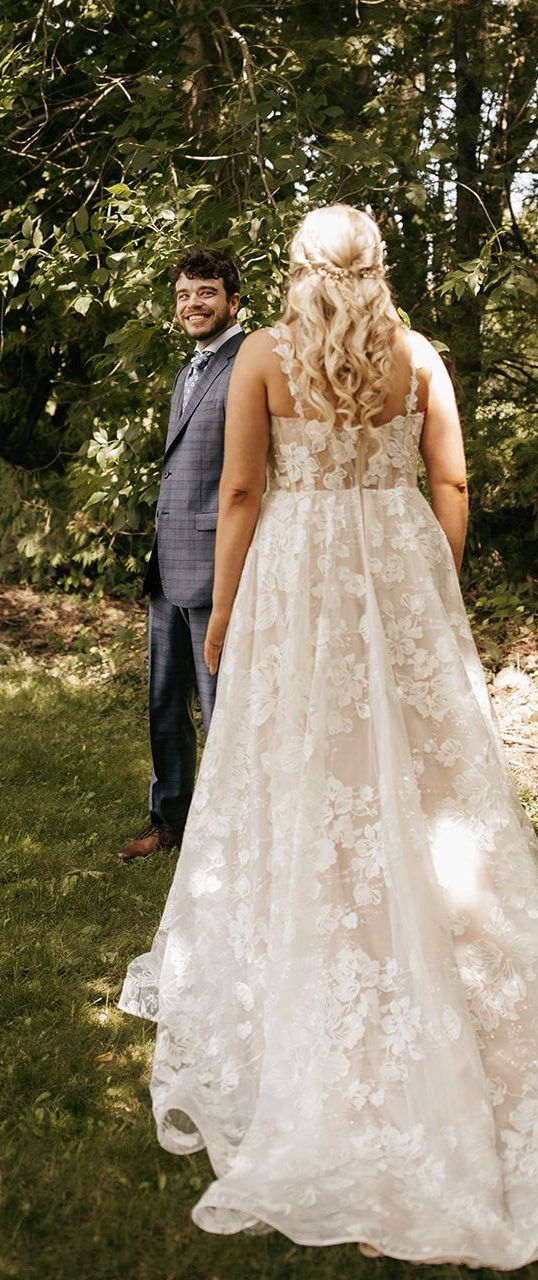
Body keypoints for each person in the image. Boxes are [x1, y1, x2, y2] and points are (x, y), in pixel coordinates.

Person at [118, 205, 538, 1266]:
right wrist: (430, 581)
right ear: (377, 268)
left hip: (298, 580)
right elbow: (450, 483)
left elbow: (240, 490)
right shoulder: (417, 358)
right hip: (392, 568)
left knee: (302, 765)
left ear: (292, 270)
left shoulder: (266, 359)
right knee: (423, 784)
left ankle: (320, 956)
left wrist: (225, 609)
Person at [117, 248, 244, 863]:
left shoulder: (248, 362)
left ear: (233, 301)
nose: (192, 304)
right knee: (163, 700)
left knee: (221, 706)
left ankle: (224, 840)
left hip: (219, 563)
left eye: (206, 292)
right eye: (184, 295)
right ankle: (168, 821)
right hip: (168, 563)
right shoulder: (189, 368)